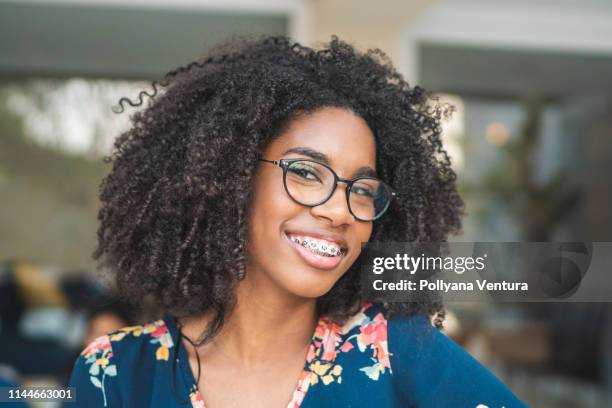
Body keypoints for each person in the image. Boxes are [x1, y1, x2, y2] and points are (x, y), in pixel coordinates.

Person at [66, 35, 528, 407]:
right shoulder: (117, 372)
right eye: (306, 173)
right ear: (232, 176)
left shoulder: (395, 351)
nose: (339, 211)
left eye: (362, 190)